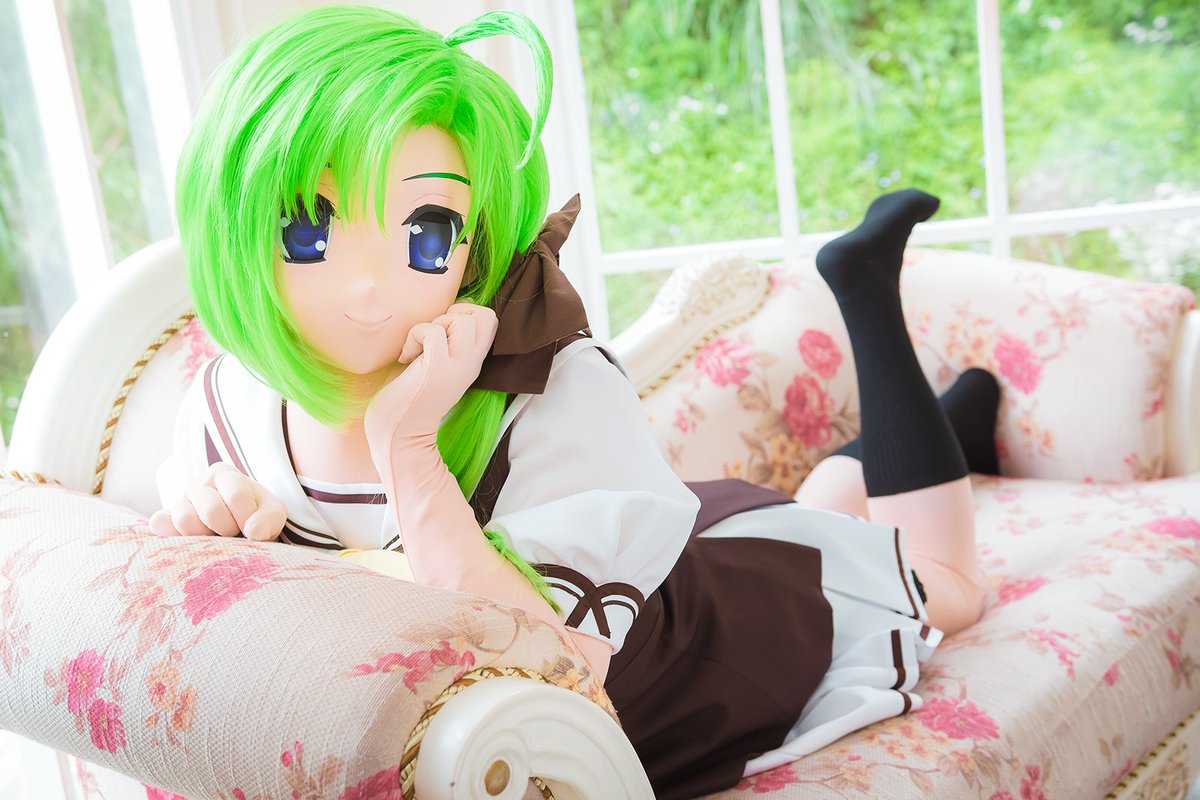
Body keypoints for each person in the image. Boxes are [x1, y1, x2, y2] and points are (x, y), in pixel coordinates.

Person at [151, 6, 996, 798]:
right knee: (820, 521)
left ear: (473, 243)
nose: (369, 288)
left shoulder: (559, 384)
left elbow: (548, 679)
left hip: (691, 657)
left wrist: (407, 448)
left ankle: (866, 290)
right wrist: (202, 516)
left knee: (951, 588)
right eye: (308, 229)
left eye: (425, 233)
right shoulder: (229, 399)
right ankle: (933, 434)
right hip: (646, 553)